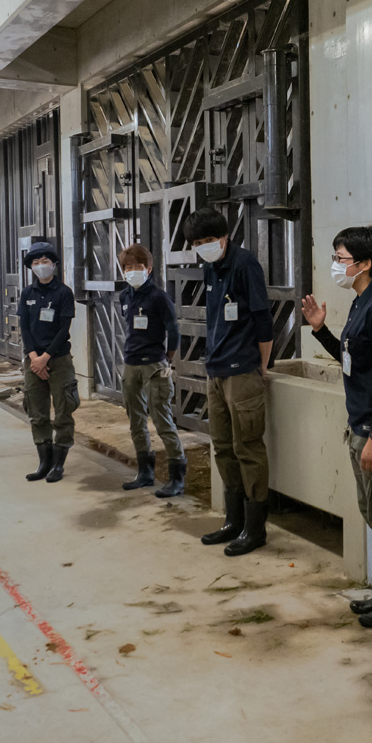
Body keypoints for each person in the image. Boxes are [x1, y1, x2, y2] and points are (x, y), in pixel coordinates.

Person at [300, 226, 372, 628]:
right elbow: (354, 361)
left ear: (365, 263)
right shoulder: (360, 302)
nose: (335, 265)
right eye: (335, 257)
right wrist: (320, 331)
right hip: (364, 428)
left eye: (341, 258)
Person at [185, 207, 273, 556]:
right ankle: (232, 521)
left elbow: (263, 320)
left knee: (248, 448)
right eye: (198, 243)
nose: (205, 247)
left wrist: (261, 367)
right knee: (222, 446)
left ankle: (255, 529)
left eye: (209, 240)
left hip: (242, 371)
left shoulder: (245, 264)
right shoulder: (210, 268)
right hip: (217, 370)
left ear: (225, 236)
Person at [117, 244, 187, 497]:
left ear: (148, 268)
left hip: (154, 364)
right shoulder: (125, 296)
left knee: (162, 419)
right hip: (131, 364)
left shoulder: (159, 297)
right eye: (128, 267)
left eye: (138, 267)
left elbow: (174, 330)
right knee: (135, 420)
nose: (133, 271)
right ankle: (145, 472)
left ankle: (177, 477)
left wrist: (168, 357)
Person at [18, 241, 79, 484]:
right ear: (31, 267)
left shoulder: (63, 293)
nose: (40, 266)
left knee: (63, 411)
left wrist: (46, 358)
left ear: (53, 264)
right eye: (35, 262)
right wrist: (34, 358)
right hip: (33, 362)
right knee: (37, 412)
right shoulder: (27, 293)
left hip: (58, 359)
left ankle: (58, 464)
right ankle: (44, 462)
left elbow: (64, 329)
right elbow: (24, 327)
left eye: (45, 261)